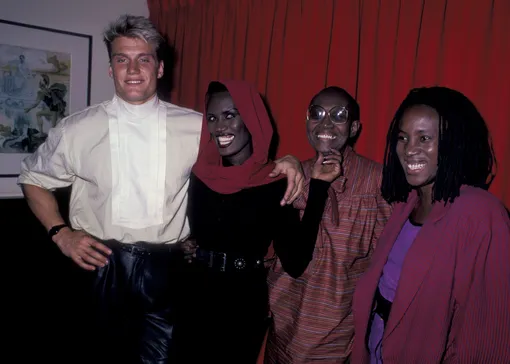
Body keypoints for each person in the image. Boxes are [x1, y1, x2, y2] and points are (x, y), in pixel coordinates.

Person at [17, 15, 303, 364]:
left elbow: (246, 161)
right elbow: (33, 179)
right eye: (122, 59)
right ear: (111, 69)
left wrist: (291, 161)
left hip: (170, 270)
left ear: (160, 67)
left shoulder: (196, 127)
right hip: (101, 264)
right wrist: (61, 234)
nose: (133, 69)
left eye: (144, 59)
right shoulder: (77, 129)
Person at [174, 80, 341, 363]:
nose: (220, 127)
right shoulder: (197, 176)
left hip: (242, 304)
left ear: (250, 117)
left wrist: (319, 188)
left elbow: (296, 261)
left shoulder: (273, 182)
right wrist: (180, 247)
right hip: (193, 295)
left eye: (230, 115)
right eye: (213, 118)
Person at [351, 86, 510, 363]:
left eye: (424, 138)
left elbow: (488, 331)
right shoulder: (405, 205)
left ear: (453, 143)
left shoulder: (481, 213)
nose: (410, 150)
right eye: (403, 138)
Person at [265, 86, 392, 363]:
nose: (325, 123)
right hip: (283, 333)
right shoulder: (290, 175)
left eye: (338, 115)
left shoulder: (377, 182)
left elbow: (391, 265)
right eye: (317, 113)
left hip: (339, 340)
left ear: (354, 127)